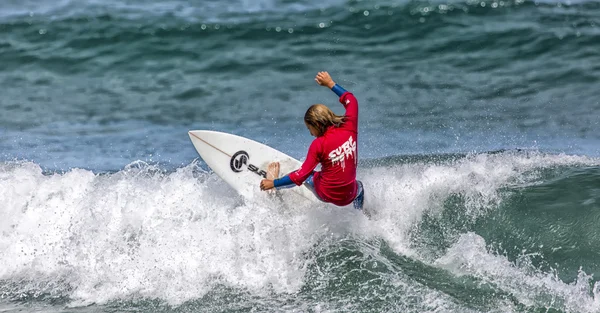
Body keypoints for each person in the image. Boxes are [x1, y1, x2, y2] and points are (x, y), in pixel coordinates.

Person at [259, 71, 364, 211]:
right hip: (349, 194)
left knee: (306, 174)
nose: (311, 133)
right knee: (360, 188)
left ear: (318, 125)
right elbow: (351, 99)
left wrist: (274, 183)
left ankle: (273, 183)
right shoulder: (349, 126)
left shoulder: (318, 144)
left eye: (310, 129)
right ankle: (360, 215)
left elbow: (299, 176)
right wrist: (330, 84)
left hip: (326, 194)